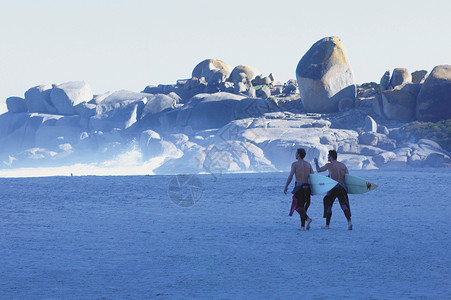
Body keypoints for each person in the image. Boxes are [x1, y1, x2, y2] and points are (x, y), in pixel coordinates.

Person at [314, 150, 352, 230]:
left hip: (332, 188)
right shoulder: (343, 165)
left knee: (329, 205)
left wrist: (316, 163)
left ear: (331, 157)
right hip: (341, 187)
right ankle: (349, 222)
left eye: (328, 156)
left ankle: (327, 225)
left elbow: (318, 170)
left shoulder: (329, 165)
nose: (327, 157)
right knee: (343, 205)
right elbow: (347, 177)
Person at [284, 148, 314, 230]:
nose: (295, 155)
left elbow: (291, 176)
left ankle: (307, 219)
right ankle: (302, 226)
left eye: (296, 153)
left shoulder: (295, 164)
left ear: (299, 154)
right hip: (307, 187)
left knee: (297, 206)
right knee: (303, 207)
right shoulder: (308, 165)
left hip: (299, 188)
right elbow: (313, 177)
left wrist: (286, 186)